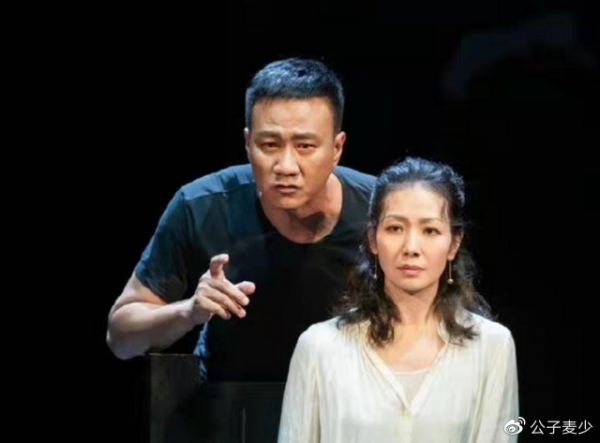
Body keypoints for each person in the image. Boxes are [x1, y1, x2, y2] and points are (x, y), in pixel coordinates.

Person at [106, 58, 375, 384]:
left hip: (348, 403)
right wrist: (189, 311)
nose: (286, 166)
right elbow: (120, 338)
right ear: (248, 143)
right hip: (231, 402)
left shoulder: (382, 211)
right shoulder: (201, 206)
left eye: (305, 146)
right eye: (270, 145)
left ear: (337, 148)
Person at [278, 157, 519, 442]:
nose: (411, 247)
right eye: (395, 228)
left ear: (453, 244)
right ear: (373, 239)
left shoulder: (491, 346)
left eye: (430, 230)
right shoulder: (320, 347)